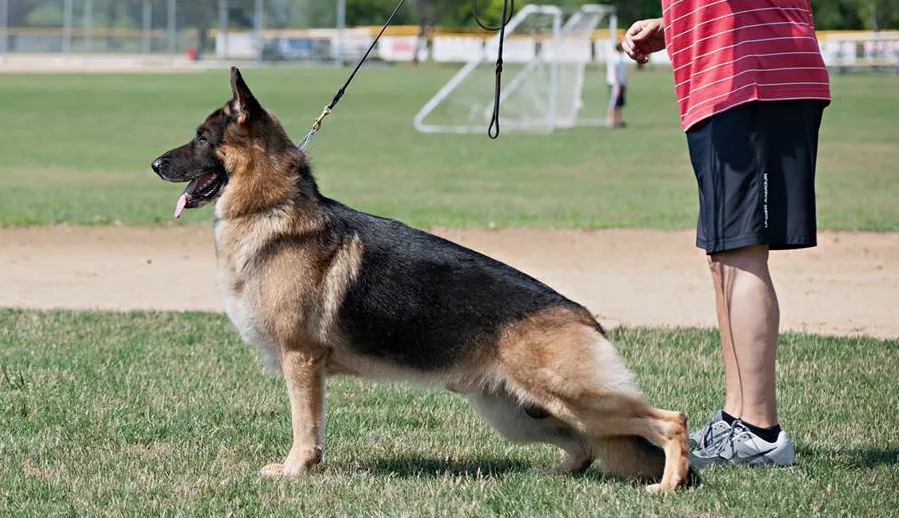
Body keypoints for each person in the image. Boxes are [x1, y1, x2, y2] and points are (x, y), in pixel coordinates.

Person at [622, 2, 831, 467]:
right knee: (724, 252)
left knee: (740, 250)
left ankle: (760, 431)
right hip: (726, 79)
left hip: (749, 79)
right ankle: (738, 421)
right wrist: (675, 23)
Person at [606, 42, 628, 128]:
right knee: (613, 103)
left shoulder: (620, 58)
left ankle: (618, 120)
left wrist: (625, 83)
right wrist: (617, 85)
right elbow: (615, 73)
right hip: (615, 84)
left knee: (618, 103)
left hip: (620, 83)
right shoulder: (616, 58)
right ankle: (612, 120)